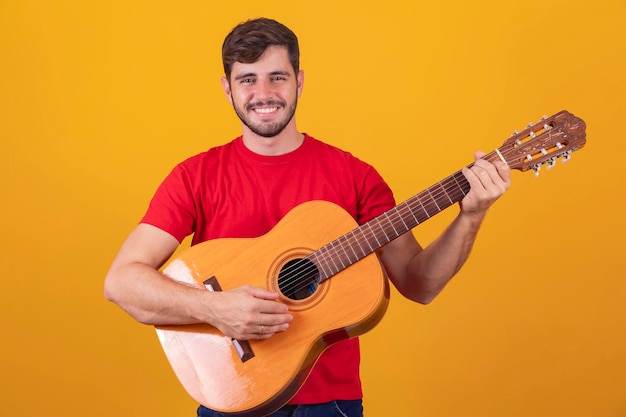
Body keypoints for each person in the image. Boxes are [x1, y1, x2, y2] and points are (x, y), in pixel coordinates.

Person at [104, 17, 510, 417]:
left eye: (277, 77)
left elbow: (419, 284)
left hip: (332, 406)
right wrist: (217, 309)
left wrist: (470, 216)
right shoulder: (195, 176)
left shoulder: (354, 176)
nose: (264, 93)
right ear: (228, 90)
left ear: (299, 81)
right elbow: (122, 282)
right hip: (234, 396)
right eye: (248, 80)